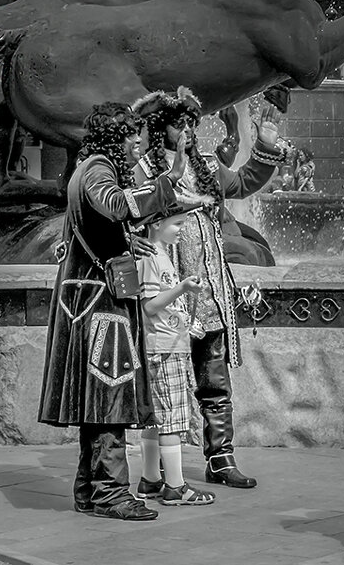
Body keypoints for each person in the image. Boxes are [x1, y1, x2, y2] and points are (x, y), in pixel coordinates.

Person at [37, 101, 207, 522]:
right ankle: (111, 493)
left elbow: (100, 225)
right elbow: (111, 203)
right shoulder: (97, 170)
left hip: (93, 302)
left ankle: (90, 491)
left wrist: (129, 242)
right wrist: (167, 186)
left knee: (99, 403)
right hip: (99, 307)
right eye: (132, 136)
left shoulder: (91, 165)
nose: (138, 144)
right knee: (110, 399)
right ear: (114, 137)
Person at [132, 88, 287, 489]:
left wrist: (266, 146)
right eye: (177, 123)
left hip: (210, 290)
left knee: (214, 380)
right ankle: (161, 467)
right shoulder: (144, 171)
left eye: (190, 123)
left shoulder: (205, 166)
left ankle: (220, 459)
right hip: (169, 290)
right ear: (160, 127)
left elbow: (244, 182)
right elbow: (133, 217)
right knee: (166, 380)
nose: (186, 130)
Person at [134, 210, 216, 507]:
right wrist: (181, 288)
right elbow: (149, 307)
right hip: (163, 348)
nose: (183, 229)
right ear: (157, 223)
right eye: (178, 224)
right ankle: (175, 486)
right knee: (172, 419)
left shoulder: (161, 255)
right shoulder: (149, 258)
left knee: (157, 419)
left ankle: (150, 479)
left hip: (170, 344)